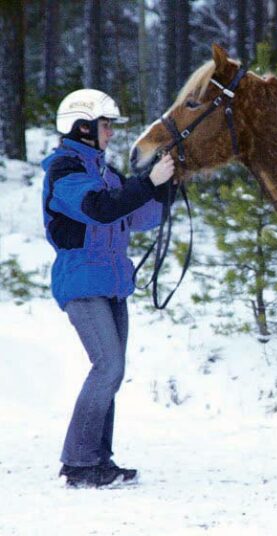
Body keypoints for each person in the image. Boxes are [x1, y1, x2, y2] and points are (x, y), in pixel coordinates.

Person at [41, 89, 175, 488]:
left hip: (112, 283)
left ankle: (99, 459)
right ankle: (79, 463)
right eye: (105, 125)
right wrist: (147, 180)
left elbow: (139, 217)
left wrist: (163, 187)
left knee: (111, 373)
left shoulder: (105, 173)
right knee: (108, 367)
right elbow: (99, 208)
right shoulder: (65, 171)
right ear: (82, 126)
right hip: (82, 281)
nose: (111, 133)